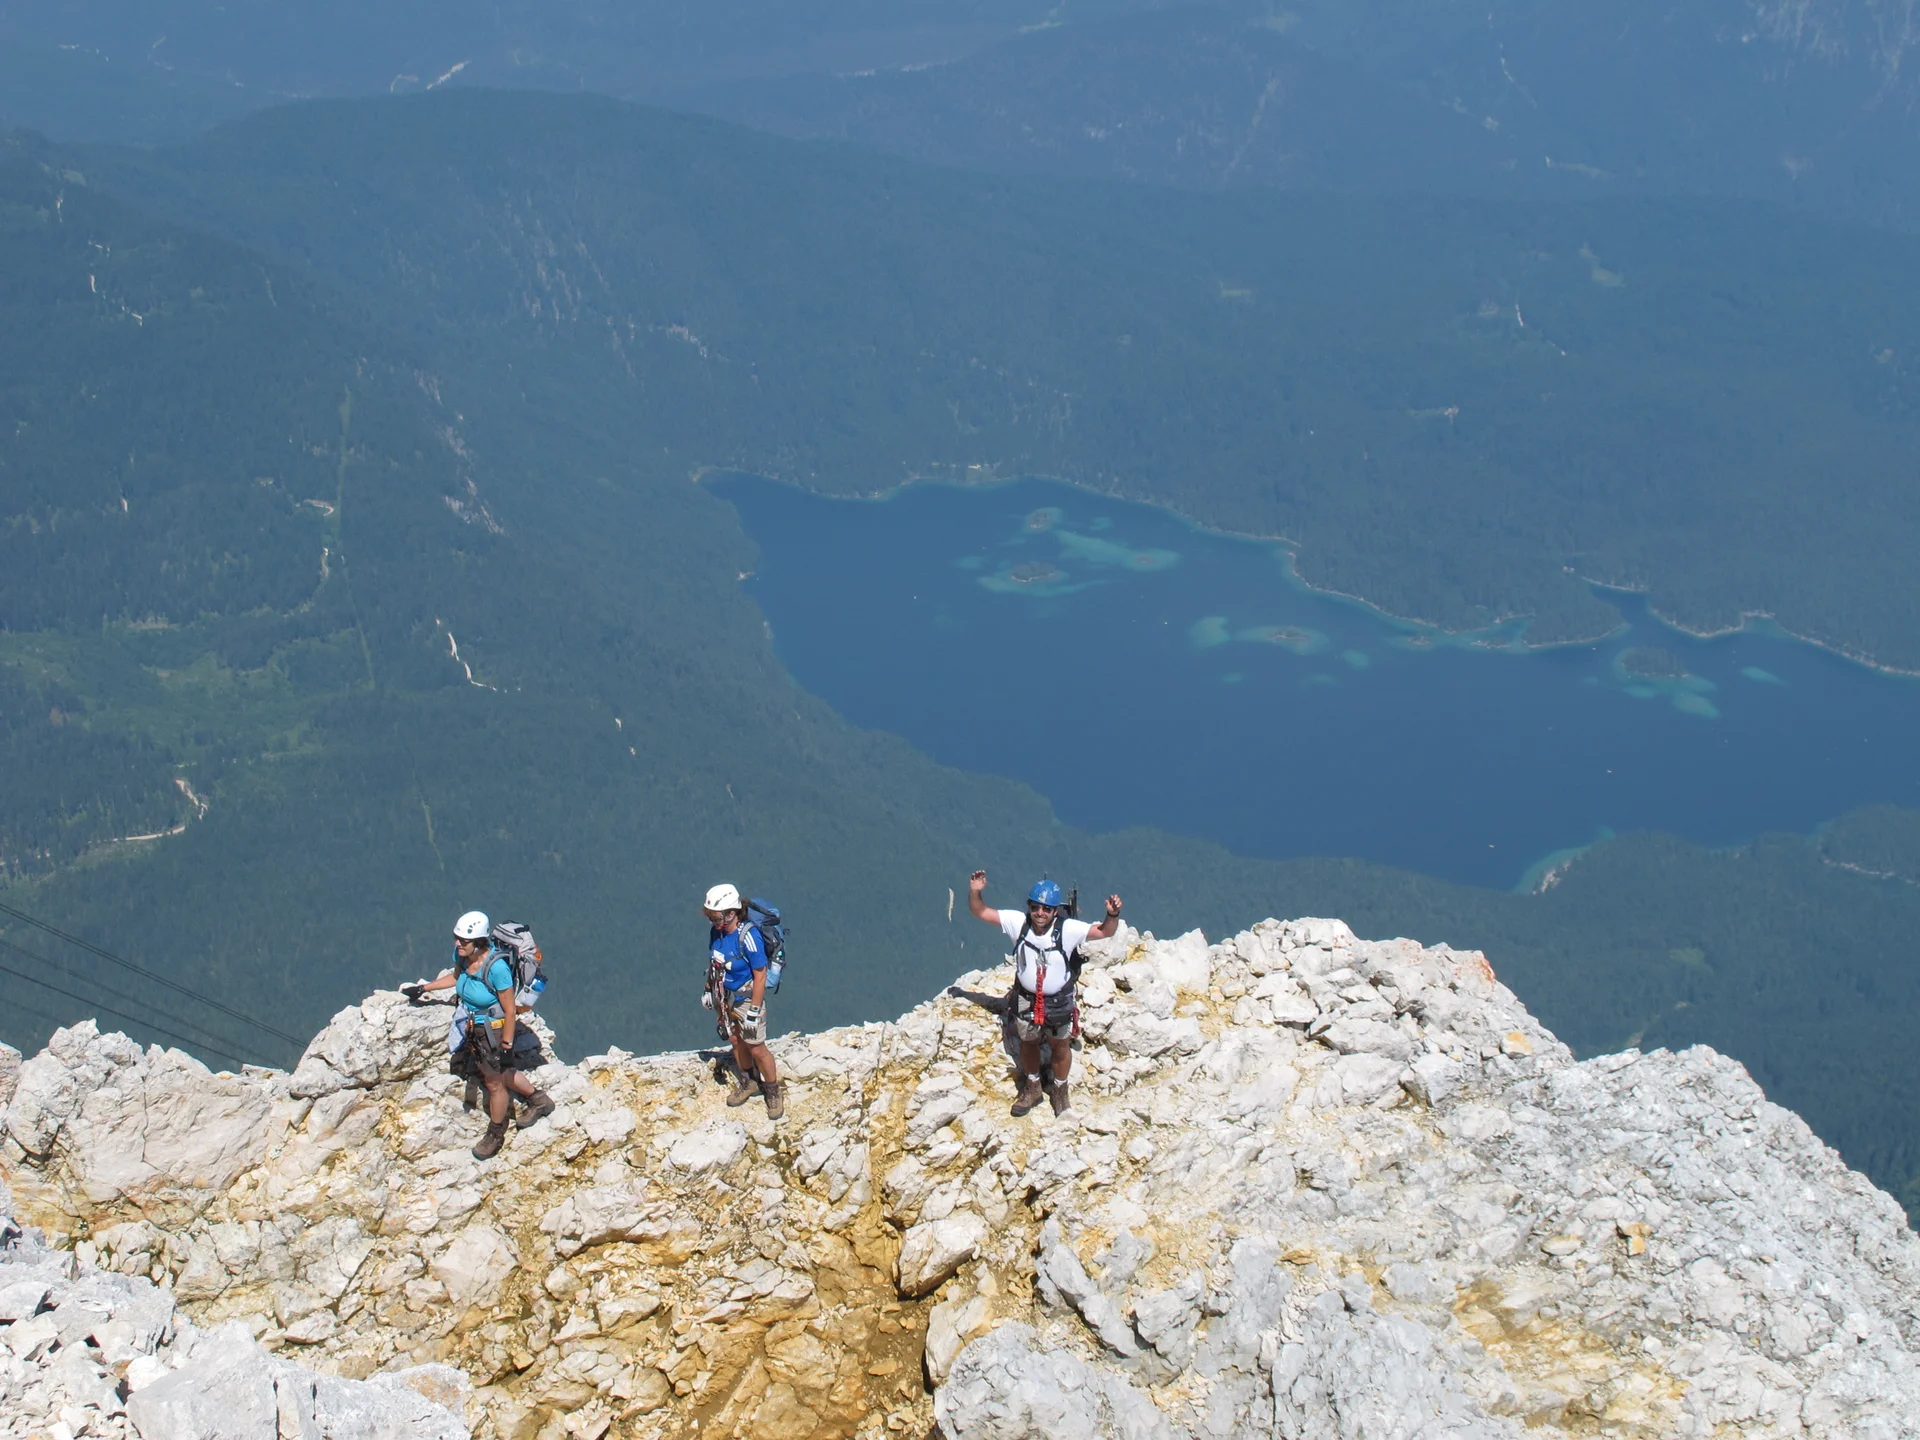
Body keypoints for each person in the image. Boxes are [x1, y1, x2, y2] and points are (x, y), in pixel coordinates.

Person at [968, 870, 1122, 1116]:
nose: (1040, 913)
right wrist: (976, 891)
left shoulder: (1068, 928)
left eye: (1046, 909)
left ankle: (1060, 1091)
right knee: (1028, 1042)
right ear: (1029, 906)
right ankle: (1033, 1086)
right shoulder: (1018, 923)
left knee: (1060, 1045)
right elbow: (981, 912)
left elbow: (1104, 932)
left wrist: (1112, 914)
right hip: (1025, 997)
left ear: (1055, 911)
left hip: (1058, 999)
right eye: (1035, 907)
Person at [408, 910, 555, 1158]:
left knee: (494, 1082)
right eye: (457, 938)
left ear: (478, 943)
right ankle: (539, 1100)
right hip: (474, 1026)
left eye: (463, 941)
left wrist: (507, 1045)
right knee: (501, 1073)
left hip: (493, 1030)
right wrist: (423, 988)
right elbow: (457, 977)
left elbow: (510, 1011)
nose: (457, 944)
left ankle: (495, 1133)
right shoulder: (464, 957)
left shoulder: (497, 969)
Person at [703, 884, 785, 1119]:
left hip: (748, 997)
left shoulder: (748, 937)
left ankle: (772, 1091)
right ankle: (748, 1081)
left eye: (715, 916)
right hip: (727, 995)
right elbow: (715, 963)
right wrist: (709, 989)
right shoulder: (717, 933)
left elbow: (760, 975)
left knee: (757, 1047)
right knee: (736, 1040)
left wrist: (754, 1012)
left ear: (731, 913)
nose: (712, 921)